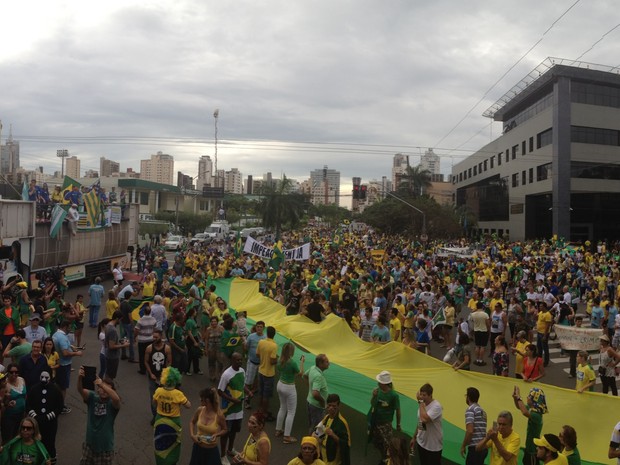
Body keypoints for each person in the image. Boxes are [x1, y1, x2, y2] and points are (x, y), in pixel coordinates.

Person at [76, 366, 121, 465]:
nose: (104, 391)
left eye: (107, 389)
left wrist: (102, 384)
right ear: (98, 390)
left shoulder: (112, 404)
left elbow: (117, 399)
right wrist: (80, 377)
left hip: (105, 448)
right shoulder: (92, 398)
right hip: (89, 444)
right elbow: (80, 390)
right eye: (101, 389)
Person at [152, 367, 191, 465]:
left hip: (160, 420)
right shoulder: (178, 394)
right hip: (174, 422)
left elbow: (154, 403)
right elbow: (188, 406)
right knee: (173, 445)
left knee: (160, 444)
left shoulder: (158, 391)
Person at [218, 352, 250, 462]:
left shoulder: (242, 371)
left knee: (234, 432)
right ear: (232, 360)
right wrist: (232, 400)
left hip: (239, 410)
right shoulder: (226, 374)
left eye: (241, 360)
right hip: (228, 410)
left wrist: (248, 392)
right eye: (237, 360)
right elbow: (220, 391)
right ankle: (222, 455)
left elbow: (242, 385)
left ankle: (230, 449)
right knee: (225, 433)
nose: (240, 362)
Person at [26, 371, 63, 464]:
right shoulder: (34, 389)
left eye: (46, 377)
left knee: (50, 444)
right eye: (42, 377)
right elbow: (28, 405)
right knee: (35, 443)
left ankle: (51, 462)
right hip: (35, 423)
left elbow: (59, 406)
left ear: (49, 378)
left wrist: (48, 417)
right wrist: (35, 416)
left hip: (50, 424)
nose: (43, 379)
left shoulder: (56, 390)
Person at [368, 370, 401, 463]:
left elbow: (398, 410)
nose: (378, 383)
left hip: (386, 424)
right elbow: (372, 404)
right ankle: (383, 458)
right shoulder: (377, 391)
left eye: (380, 382)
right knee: (378, 443)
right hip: (376, 422)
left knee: (388, 445)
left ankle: (389, 461)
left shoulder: (394, 395)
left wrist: (398, 424)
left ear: (384, 383)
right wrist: (373, 396)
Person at [189, 387, 227, 465]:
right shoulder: (200, 410)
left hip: (211, 451)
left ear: (207, 400)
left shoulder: (219, 415)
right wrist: (192, 435)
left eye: (201, 399)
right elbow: (192, 422)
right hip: (198, 449)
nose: (200, 400)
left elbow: (225, 429)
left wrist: (216, 434)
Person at [276, 343, 305, 444]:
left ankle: (278, 429)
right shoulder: (292, 363)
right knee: (291, 412)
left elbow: (279, 369)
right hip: (289, 387)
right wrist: (302, 362)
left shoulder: (280, 360)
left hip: (280, 384)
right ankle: (287, 436)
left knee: (282, 407)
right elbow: (300, 373)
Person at [52, 319, 83, 414]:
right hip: (64, 364)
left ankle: (55, 403)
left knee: (57, 385)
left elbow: (65, 346)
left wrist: (72, 346)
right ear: (65, 327)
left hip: (57, 364)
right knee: (63, 387)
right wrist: (76, 353)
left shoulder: (55, 335)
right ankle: (61, 406)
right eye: (70, 327)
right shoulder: (62, 338)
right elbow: (65, 353)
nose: (71, 329)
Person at [512, 386, 547, 465]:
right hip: (529, 448)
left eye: (529, 396)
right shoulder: (533, 409)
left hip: (533, 451)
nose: (527, 397)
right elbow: (519, 407)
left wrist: (518, 396)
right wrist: (515, 398)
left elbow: (524, 412)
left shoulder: (536, 415)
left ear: (534, 399)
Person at [412, 383, 443, 465]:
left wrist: (420, 402)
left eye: (424, 395)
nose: (422, 397)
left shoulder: (436, 406)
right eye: (421, 394)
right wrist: (414, 437)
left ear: (430, 395)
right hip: (421, 442)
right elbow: (420, 422)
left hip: (433, 446)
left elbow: (424, 419)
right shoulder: (422, 405)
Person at [315, 393, 350, 465]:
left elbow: (345, 444)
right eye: (329, 405)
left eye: (334, 406)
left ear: (338, 406)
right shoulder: (326, 417)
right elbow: (318, 431)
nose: (331, 408)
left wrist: (333, 435)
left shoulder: (342, 423)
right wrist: (316, 435)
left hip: (333, 457)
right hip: (323, 453)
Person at [145, 329, 172, 424]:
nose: (154, 338)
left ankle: (164, 416)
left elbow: (169, 362)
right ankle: (155, 416)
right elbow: (146, 362)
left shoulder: (167, 348)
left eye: (156, 337)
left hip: (163, 378)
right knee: (153, 397)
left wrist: (165, 374)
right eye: (153, 337)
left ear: (161, 336)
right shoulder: (149, 348)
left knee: (164, 397)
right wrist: (150, 373)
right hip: (152, 377)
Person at [256, 326, 278, 421]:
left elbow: (257, 354)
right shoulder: (274, 346)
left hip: (261, 370)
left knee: (261, 392)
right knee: (266, 395)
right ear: (274, 335)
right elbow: (272, 361)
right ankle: (264, 413)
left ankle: (260, 409)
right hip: (269, 373)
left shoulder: (261, 342)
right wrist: (277, 359)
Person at [2, 364, 27, 444]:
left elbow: (25, 395)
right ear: (7, 373)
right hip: (9, 417)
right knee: (8, 439)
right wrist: (7, 403)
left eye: (16, 372)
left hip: (21, 415)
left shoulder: (22, 380)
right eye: (11, 372)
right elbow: (2, 401)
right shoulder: (4, 384)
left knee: (19, 437)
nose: (14, 374)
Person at [461, 387, 488, 465]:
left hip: (475, 448)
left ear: (468, 397)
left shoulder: (470, 410)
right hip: (483, 447)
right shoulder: (483, 411)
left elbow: (470, 431)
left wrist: (463, 446)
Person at [244, 321, 266, 410]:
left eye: (261, 327)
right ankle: (247, 400)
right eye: (258, 327)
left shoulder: (265, 338)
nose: (259, 328)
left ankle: (254, 395)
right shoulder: (251, 336)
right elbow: (246, 347)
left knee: (258, 382)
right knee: (248, 382)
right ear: (255, 327)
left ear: (263, 328)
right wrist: (246, 356)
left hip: (261, 364)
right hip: (252, 362)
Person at [306, 354, 329, 434]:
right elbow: (315, 394)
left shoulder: (313, 368)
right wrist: (323, 402)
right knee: (317, 428)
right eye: (326, 362)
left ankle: (310, 443)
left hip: (310, 402)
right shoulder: (318, 376)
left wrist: (310, 387)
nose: (329, 363)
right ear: (320, 363)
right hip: (317, 406)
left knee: (312, 424)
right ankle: (311, 443)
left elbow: (305, 376)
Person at [104, 311, 130, 381]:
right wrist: (124, 345)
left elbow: (110, 341)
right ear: (117, 319)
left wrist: (119, 342)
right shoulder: (113, 330)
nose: (121, 322)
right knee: (110, 375)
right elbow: (111, 346)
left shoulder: (108, 325)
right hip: (112, 356)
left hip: (108, 354)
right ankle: (108, 388)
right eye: (120, 320)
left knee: (108, 373)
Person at [134, 303, 157, 375]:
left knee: (142, 355)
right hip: (150, 339)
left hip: (142, 340)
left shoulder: (140, 320)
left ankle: (142, 369)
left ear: (144, 312)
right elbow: (154, 328)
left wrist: (135, 337)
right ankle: (150, 368)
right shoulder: (153, 319)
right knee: (150, 354)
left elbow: (136, 330)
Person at [469, 302, 490, 366]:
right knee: (483, 346)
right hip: (484, 331)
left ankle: (477, 359)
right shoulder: (485, 314)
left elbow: (472, 320)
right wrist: (489, 329)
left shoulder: (473, 314)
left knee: (477, 346)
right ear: (482, 307)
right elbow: (488, 324)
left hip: (476, 331)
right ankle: (481, 360)